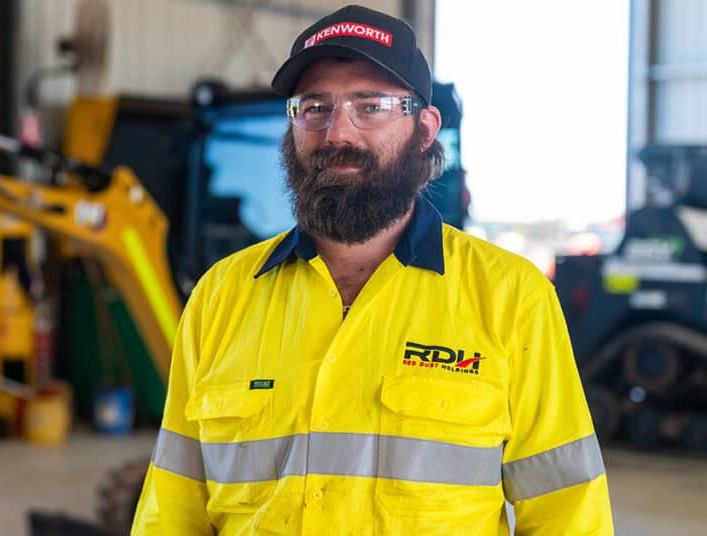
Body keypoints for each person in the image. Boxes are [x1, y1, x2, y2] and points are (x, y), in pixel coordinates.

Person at [132, 4, 613, 534]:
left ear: (425, 128)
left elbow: (567, 511)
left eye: (372, 105)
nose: (338, 132)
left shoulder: (511, 297)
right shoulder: (221, 295)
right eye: (314, 106)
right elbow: (173, 506)